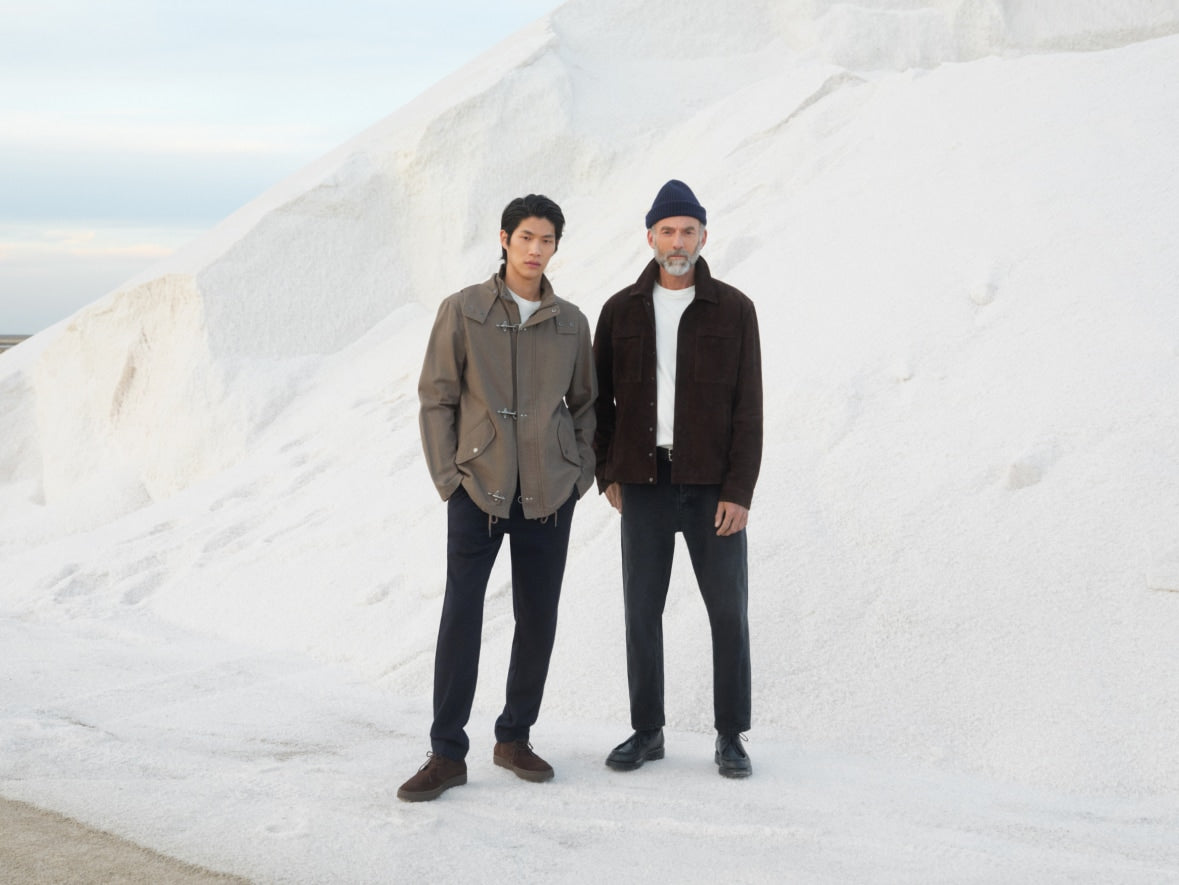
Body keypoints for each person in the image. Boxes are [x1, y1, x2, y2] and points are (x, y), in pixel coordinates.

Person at [398, 194, 597, 802]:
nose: (536, 250)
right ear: (505, 239)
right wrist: (450, 479)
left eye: (547, 240)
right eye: (526, 237)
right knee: (461, 616)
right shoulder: (464, 310)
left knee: (537, 618)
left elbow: (587, 406)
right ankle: (446, 753)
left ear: (556, 246)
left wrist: (578, 472)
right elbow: (437, 397)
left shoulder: (571, 322)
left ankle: (514, 737)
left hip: (549, 494)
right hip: (477, 489)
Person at [593, 180, 763, 778]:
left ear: (704, 237)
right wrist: (606, 471)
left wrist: (739, 491)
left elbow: (749, 408)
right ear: (650, 238)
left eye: (688, 231)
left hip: (711, 485)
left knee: (728, 612)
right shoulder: (619, 311)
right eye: (667, 231)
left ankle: (731, 735)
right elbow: (598, 403)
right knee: (642, 610)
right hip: (643, 483)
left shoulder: (734, 309)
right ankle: (648, 730)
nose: (677, 242)